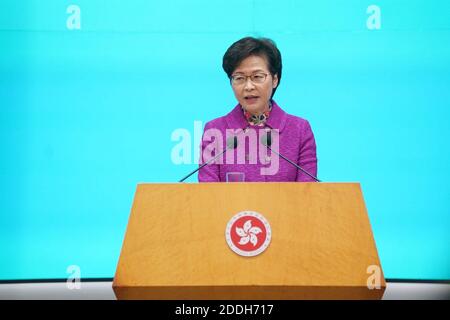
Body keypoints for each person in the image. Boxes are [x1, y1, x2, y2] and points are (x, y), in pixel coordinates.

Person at [198, 37, 318, 182]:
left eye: (257, 76)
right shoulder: (214, 131)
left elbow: (308, 192)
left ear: (275, 79)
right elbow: (208, 195)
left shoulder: (299, 130)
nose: (248, 86)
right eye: (239, 78)